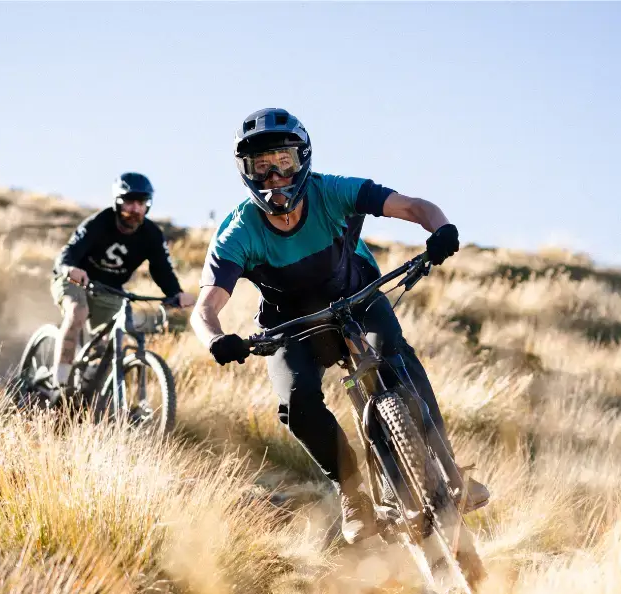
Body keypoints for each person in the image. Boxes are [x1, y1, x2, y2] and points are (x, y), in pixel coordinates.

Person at [190, 108, 489, 544]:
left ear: (303, 159)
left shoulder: (332, 192)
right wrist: (216, 340)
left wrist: (440, 228)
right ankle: (352, 494)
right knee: (296, 403)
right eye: (262, 166)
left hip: (359, 298)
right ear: (247, 173)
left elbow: (412, 206)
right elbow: (205, 308)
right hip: (289, 323)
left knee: (395, 357)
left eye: (284, 161)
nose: (275, 175)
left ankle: (448, 469)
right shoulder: (238, 231)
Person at [50, 172, 195, 393]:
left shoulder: (152, 235)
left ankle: (88, 389)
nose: (135, 209)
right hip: (75, 280)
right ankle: (58, 383)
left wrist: (176, 293)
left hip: (110, 290)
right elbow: (70, 251)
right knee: (77, 311)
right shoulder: (99, 222)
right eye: (129, 202)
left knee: (110, 341)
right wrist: (70, 268)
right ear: (118, 202)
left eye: (141, 203)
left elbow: (161, 269)